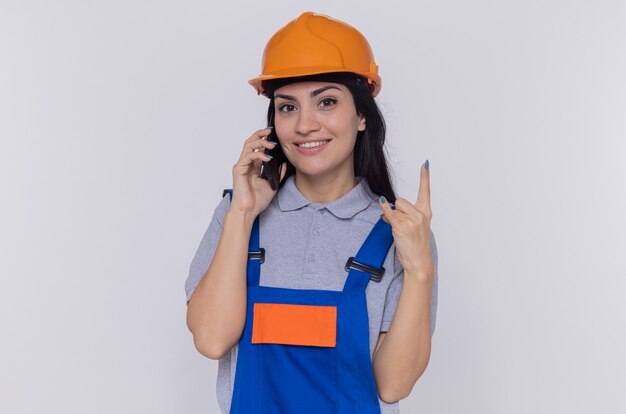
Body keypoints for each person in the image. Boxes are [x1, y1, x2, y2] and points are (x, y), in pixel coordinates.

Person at [185, 11, 438, 414]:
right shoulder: (239, 213)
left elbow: (393, 386)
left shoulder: (398, 232)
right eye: (287, 107)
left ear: (360, 116)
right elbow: (212, 340)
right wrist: (242, 216)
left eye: (326, 102)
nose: (304, 124)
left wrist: (420, 269)